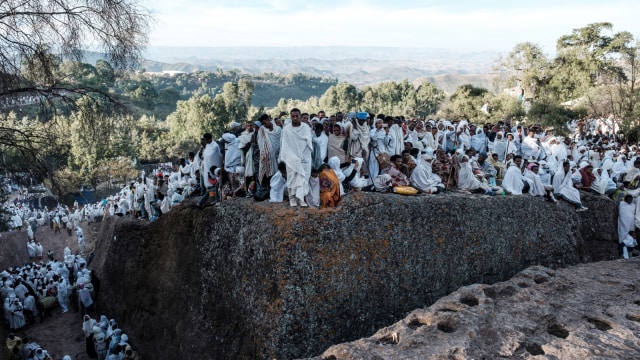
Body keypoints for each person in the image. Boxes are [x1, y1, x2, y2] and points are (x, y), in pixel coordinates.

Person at [279, 108, 313, 207]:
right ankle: (292, 198)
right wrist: (293, 157)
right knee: (292, 178)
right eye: (292, 116)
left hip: (304, 158)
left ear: (300, 116)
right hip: (292, 159)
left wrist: (302, 155)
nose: (294, 118)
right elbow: (285, 146)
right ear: (290, 117)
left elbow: (309, 143)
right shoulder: (286, 129)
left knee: (303, 179)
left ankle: (301, 198)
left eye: (296, 116)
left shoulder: (306, 127)